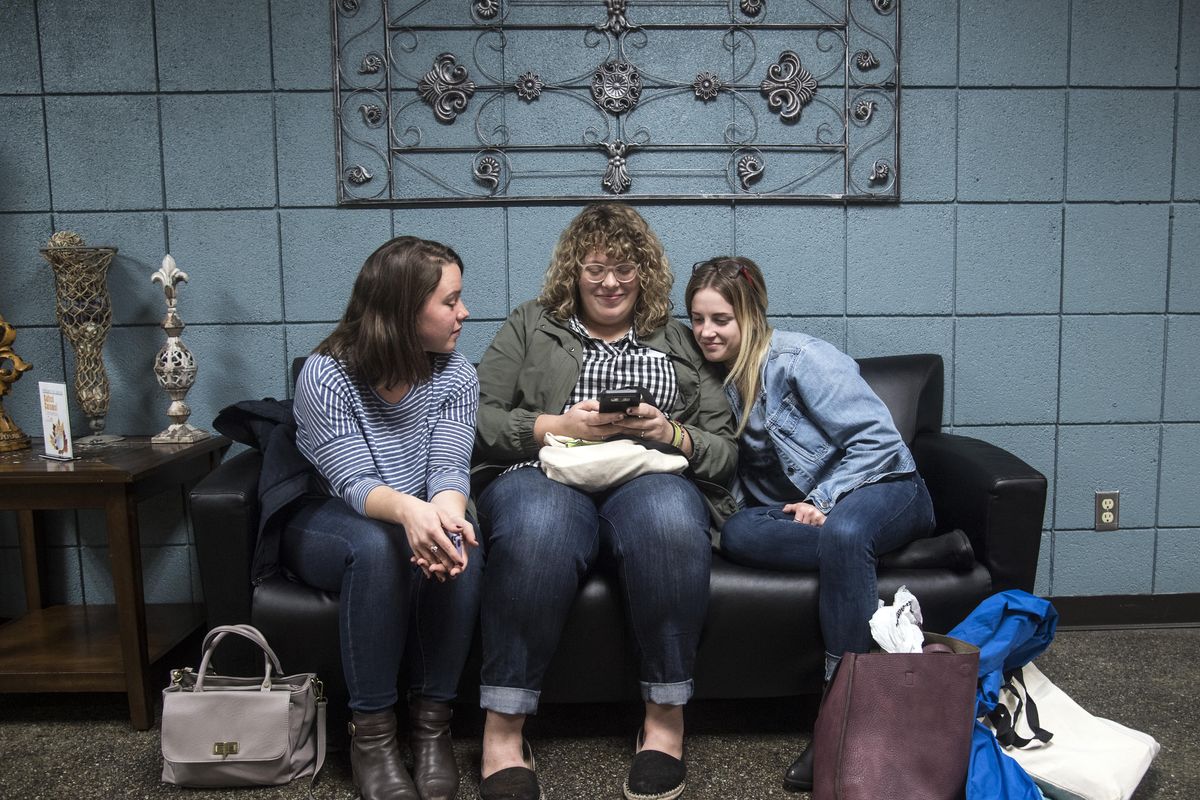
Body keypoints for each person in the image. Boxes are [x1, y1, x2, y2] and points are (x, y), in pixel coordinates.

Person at [473, 203, 738, 800]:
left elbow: (725, 448)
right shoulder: (530, 324)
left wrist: (667, 432)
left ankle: (665, 722)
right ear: (574, 270)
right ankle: (504, 730)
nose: (611, 282)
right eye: (596, 268)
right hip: (542, 470)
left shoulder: (677, 336)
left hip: (647, 473)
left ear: (644, 271)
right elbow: (474, 416)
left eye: (624, 268)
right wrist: (554, 425)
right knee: (537, 527)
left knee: (671, 520)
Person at [685, 256, 935, 794]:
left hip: (885, 487)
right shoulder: (718, 379)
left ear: (751, 314)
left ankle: (841, 721)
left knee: (847, 533)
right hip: (800, 516)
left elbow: (880, 444)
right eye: (698, 318)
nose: (706, 331)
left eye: (721, 319)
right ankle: (889, 554)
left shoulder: (802, 359)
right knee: (737, 533)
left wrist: (825, 500)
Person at [284, 236, 481, 800]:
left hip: (415, 510)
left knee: (468, 539)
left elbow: (448, 465)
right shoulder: (326, 374)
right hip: (331, 519)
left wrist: (443, 522)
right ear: (403, 308)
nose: (463, 312)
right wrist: (413, 517)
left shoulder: (455, 374)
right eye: (450, 301)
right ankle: (371, 735)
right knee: (375, 547)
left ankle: (432, 729)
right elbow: (354, 482)